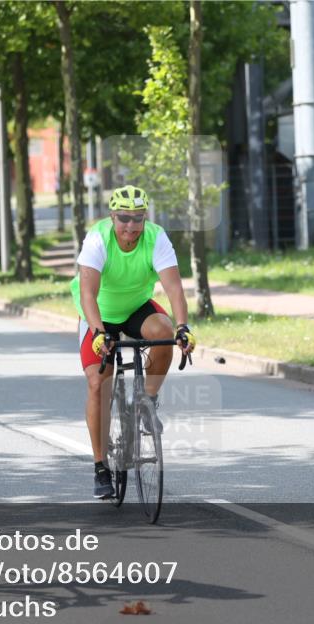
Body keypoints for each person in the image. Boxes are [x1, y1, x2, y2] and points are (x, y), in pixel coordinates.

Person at [69, 185, 196, 498]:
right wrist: (98, 333)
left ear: (145, 217)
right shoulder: (98, 238)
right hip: (99, 313)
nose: (131, 225)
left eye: (137, 218)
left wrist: (183, 327)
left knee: (164, 332)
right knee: (98, 382)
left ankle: (145, 402)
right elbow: (87, 293)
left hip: (136, 307)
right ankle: (100, 466)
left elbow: (174, 289)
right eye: (124, 218)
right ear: (112, 216)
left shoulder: (156, 237)